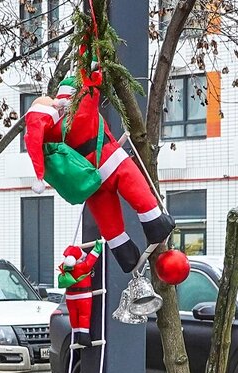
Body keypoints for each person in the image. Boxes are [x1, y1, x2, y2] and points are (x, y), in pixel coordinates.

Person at [23, 71, 174, 274]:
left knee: (108, 220)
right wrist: (92, 47)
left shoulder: (51, 134)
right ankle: (155, 222)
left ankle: (124, 253)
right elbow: (93, 76)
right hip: (112, 161)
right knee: (138, 192)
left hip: (91, 181)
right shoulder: (81, 105)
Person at [58, 241, 101, 347]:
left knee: (73, 315)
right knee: (84, 315)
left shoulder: (65, 268)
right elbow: (91, 260)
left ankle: (76, 334)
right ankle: (84, 335)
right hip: (83, 296)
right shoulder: (82, 267)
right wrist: (97, 248)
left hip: (70, 297)